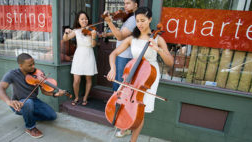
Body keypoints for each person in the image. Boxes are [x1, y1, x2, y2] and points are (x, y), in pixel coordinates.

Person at [106, 7, 174, 142]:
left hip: (148, 76)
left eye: (143, 20)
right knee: (124, 102)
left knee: (139, 110)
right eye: (137, 21)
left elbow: (170, 62)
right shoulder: (132, 38)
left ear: (149, 20)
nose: (140, 24)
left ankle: (133, 140)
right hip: (132, 74)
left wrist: (158, 49)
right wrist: (112, 69)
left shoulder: (158, 39)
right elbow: (113, 54)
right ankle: (124, 127)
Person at [0, 53, 66, 139]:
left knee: (52, 116)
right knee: (28, 102)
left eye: (33, 64)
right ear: (21, 65)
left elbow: (44, 91)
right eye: (30, 65)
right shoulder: (12, 74)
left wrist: (55, 94)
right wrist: (9, 102)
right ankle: (30, 127)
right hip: (19, 104)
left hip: (34, 101)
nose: (33, 66)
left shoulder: (38, 73)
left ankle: (29, 115)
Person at [103, 0, 139, 137]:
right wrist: (108, 34)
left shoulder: (133, 19)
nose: (125, 6)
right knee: (118, 88)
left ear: (136, 4)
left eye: (128, 3)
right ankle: (117, 117)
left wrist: (109, 21)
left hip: (125, 57)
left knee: (120, 89)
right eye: (124, 3)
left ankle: (120, 120)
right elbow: (120, 34)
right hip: (122, 55)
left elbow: (120, 35)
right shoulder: (129, 19)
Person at [63, 11, 97, 106]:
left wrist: (94, 36)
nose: (84, 20)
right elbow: (65, 39)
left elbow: (93, 45)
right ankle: (77, 97)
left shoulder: (92, 30)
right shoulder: (76, 31)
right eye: (82, 19)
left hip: (89, 54)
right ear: (78, 20)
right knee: (76, 80)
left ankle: (85, 98)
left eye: (86, 19)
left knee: (88, 79)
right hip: (79, 55)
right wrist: (66, 32)